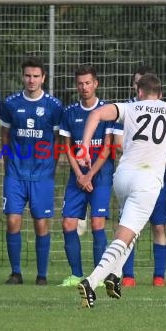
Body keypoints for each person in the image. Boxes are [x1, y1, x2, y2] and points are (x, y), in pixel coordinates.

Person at [77, 74, 166, 308]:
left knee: (132, 230)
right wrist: (161, 148)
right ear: (161, 94)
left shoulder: (130, 107)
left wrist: (85, 146)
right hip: (148, 181)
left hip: (123, 177)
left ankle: (114, 276)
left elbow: (95, 114)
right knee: (124, 235)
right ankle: (91, 281)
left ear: (139, 92)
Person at [0, 56, 63, 285]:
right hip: (15, 173)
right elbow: (5, 135)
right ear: (22, 76)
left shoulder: (54, 107)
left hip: (42, 175)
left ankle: (41, 275)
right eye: (28, 75)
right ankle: (16, 272)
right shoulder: (11, 104)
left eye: (36, 76)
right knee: (12, 221)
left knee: (41, 224)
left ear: (43, 78)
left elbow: (57, 141)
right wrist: (8, 164)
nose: (31, 80)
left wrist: (51, 166)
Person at [58, 65, 114, 287]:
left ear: (96, 83)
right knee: (68, 223)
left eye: (88, 82)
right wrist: (80, 175)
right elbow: (68, 148)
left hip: (100, 176)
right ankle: (76, 275)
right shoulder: (69, 113)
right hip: (77, 177)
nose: (84, 87)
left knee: (97, 224)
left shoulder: (107, 111)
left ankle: (98, 276)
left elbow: (108, 148)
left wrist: (89, 174)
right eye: (80, 83)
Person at [115, 65, 166, 287]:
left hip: (156, 176)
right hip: (132, 173)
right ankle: (127, 275)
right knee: (129, 226)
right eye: (137, 82)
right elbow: (118, 143)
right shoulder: (126, 110)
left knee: (159, 226)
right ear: (135, 88)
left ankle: (159, 276)